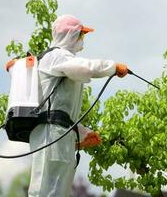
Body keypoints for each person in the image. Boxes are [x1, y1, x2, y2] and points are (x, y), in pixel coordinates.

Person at [28, 14, 128, 197]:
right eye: (81, 35)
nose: (82, 40)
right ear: (70, 35)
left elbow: (61, 111)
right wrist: (113, 67)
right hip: (50, 135)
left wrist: (83, 133)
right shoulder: (56, 56)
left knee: (58, 192)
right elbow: (85, 67)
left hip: (58, 134)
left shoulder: (62, 61)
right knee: (46, 192)